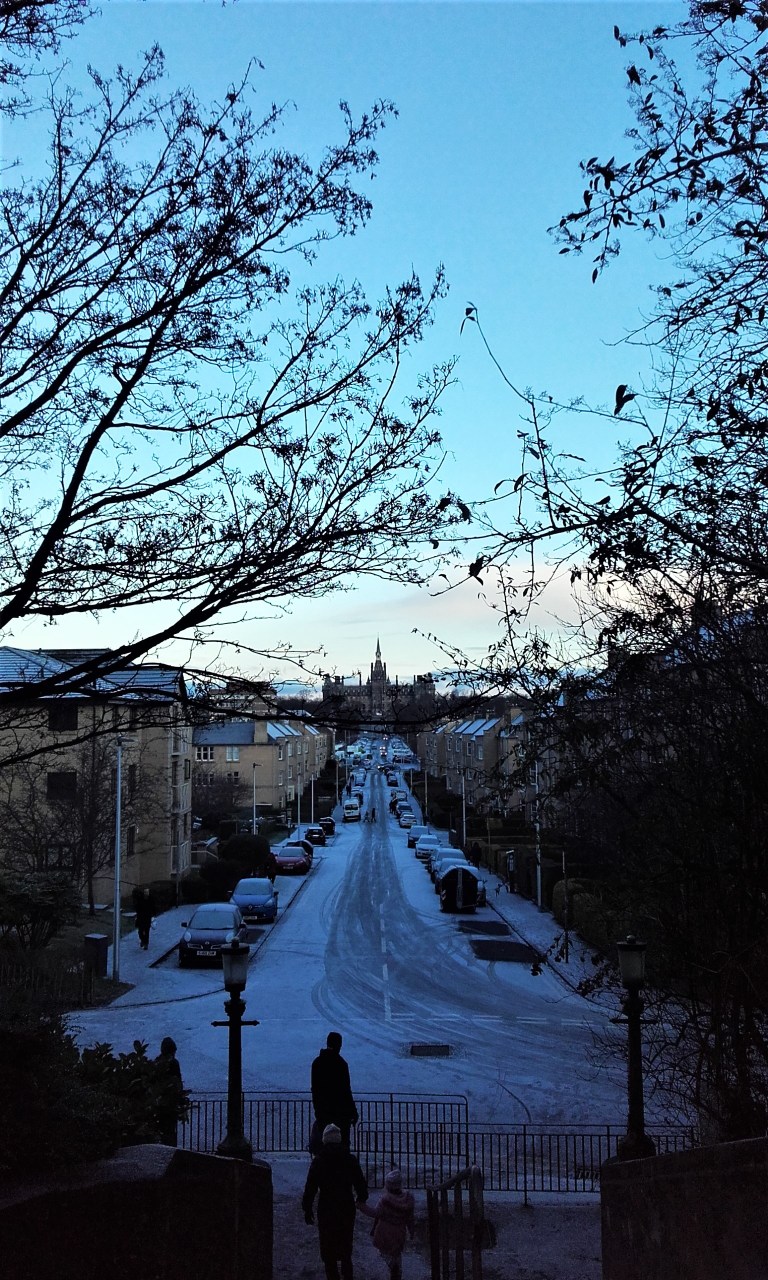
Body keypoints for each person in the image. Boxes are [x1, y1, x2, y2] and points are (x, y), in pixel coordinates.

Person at [302, 1123, 369, 1280]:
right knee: (346, 1246)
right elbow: (360, 1182)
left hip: (326, 1207)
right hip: (346, 1205)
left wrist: (307, 1208)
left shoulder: (319, 1161)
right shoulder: (350, 1159)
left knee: (328, 1250)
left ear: (324, 1140)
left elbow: (310, 1187)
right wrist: (361, 1197)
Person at [357, 1168, 415, 1280]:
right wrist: (411, 1231)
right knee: (396, 1254)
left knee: (385, 1253)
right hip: (400, 1232)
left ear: (387, 1185)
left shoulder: (385, 1200)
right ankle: (397, 1271)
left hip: (385, 1232)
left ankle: (392, 1267)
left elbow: (375, 1213)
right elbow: (410, 1218)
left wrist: (361, 1207)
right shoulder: (408, 1199)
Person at [311, 1031, 359, 1150]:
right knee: (342, 1146)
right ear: (339, 1045)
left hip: (323, 1114)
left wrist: (318, 1110)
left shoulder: (317, 1063)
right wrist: (353, 1112)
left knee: (324, 1147)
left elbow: (315, 1090)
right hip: (341, 1115)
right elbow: (346, 1091)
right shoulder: (341, 1064)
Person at [155, 1035, 184, 1146]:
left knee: (164, 1131)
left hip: (160, 1104)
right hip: (170, 1104)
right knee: (170, 1131)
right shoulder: (174, 1063)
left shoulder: (157, 1062)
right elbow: (178, 1081)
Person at [133, 886, 154, 950]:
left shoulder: (151, 899)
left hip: (147, 918)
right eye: (145, 892)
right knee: (140, 931)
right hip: (141, 917)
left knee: (147, 931)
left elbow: (153, 907)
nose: (146, 893)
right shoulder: (140, 899)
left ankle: (146, 944)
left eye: (147, 892)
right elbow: (137, 907)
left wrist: (152, 915)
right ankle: (142, 940)